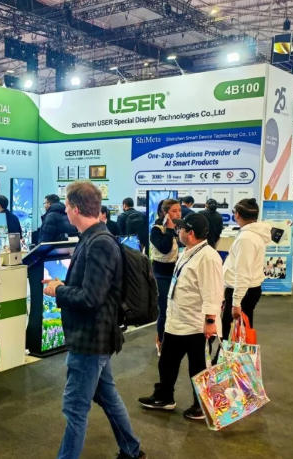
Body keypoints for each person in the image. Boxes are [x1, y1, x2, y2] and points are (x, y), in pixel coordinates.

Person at [42, 182, 144, 459]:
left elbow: (91, 298)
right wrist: (64, 285)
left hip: (90, 338)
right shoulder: (94, 238)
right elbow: (94, 288)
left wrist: (58, 290)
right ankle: (132, 449)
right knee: (107, 397)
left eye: (67, 206)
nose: (65, 211)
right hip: (95, 335)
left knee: (75, 408)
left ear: (75, 209)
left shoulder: (99, 242)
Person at [138, 213, 222, 421]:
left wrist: (210, 321)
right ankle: (164, 396)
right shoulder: (189, 252)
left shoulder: (208, 257)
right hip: (178, 321)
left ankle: (201, 406)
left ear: (190, 233)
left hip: (196, 325)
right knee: (167, 362)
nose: (178, 231)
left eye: (181, 228)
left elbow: (213, 292)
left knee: (198, 368)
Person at [221, 198, 270, 340]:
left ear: (237, 214)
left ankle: (231, 356)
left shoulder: (246, 238)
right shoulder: (253, 234)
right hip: (247, 290)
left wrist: (236, 302)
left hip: (242, 291)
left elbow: (243, 272)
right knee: (240, 333)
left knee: (232, 335)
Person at [150, 198, 181, 355]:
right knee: (164, 309)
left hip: (175, 274)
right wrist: (169, 229)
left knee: (174, 309)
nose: (178, 214)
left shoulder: (177, 228)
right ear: (165, 213)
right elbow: (164, 248)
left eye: (179, 210)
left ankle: (170, 339)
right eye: (174, 211)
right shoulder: (156, 230)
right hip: (160, 275)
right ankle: (161, 340)